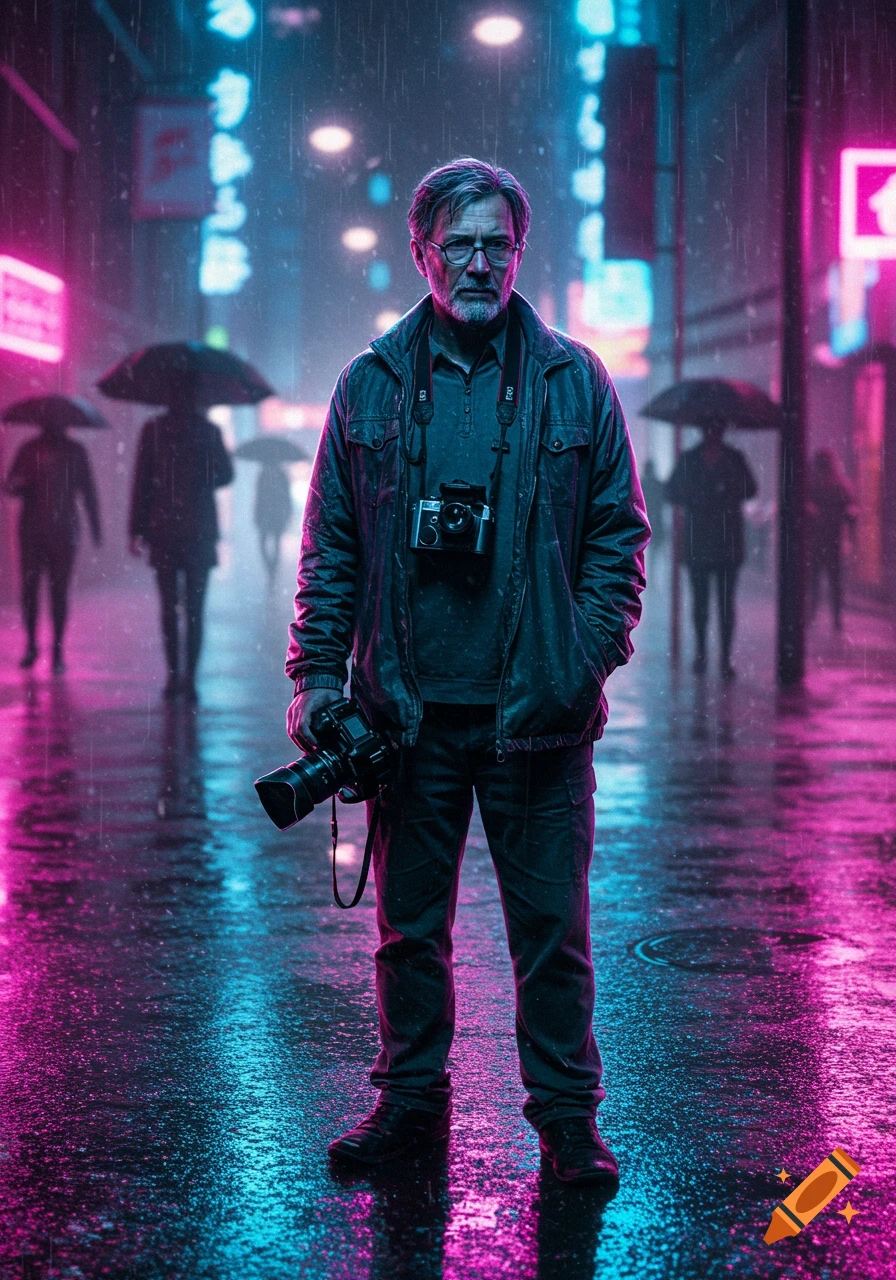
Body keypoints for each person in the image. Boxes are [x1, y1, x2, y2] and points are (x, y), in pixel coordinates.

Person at [284, 159, 649, 1184]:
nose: (480, 262)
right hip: (405, 714)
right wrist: (315, 676)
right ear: (423, 255)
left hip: (535, 708)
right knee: (408, 934)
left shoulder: (574, 379)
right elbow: (333, 544)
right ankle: (408, 1110)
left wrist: (581, 658)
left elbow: (615, 535)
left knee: (550, 936)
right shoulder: (370, 383)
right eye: (460, 244)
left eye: (497, 243)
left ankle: (567, 1126)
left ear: (517, 253)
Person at [129, 380, 233, 700]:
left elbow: (141, 481)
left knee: (168, 608)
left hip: (163, 530)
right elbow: (227, 474)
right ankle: (188, 677)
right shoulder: (208, 431)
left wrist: (135, 529)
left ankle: (174, 676)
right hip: (198, 530)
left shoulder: (153, 430)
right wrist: (202, 475)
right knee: (194, 608)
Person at [4, 422, 101, 673]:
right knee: (40, 590)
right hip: (44, 530)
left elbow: (88, 491)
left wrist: (95, 526)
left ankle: (48, 649)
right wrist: (95, 527)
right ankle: (38, 646)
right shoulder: (40, 450)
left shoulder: (42, 450)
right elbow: (10, 486)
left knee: (48, 591)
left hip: (49, 530)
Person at [666, 421, 757, 678]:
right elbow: (671, 491)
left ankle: (722, 658)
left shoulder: (730, 458)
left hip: (724, 540)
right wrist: (696, 494)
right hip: (702, 540)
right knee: (701, 603)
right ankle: (702, 653)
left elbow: (750, 488)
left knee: (724, 604)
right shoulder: (692, 459)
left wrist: (725, 491)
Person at [808, 447, 855, 631]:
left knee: (816, 579)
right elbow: (850, 509)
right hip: (832, 539)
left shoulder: (813, 483)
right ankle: (835, 618)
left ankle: (815, 613)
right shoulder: (840, 484)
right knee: (833, 581)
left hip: (819, 539)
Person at [253, 461, 292, 578]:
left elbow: (258, 497)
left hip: (269, 514)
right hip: (275, 514)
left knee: (266, 542)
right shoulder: (280, 475)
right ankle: (272, 569)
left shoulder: (264, 475)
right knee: (274, 543)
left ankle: (271, 569)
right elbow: (286, 497)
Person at [638, 456, 666, 546]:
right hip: (656, 521)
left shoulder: (641, 485)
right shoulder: (658, 484)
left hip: (645, 520)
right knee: (655, 551)